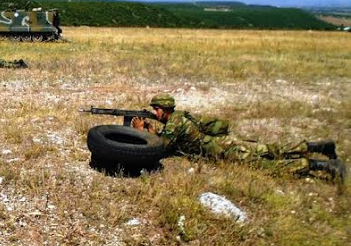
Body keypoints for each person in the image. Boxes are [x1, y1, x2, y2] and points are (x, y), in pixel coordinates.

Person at [131, 93, 346, 181]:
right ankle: (318, 146)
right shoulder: (177, 117)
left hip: (226, 151)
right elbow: (169, 139)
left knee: (269, 167)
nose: (155, 112)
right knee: (271, 149)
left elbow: (162, 147)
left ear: (164, 109)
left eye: (156, 109)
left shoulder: (175, 122)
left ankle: (322, 166)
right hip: (226, 143)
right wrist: (152, 132)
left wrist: (142, 132)